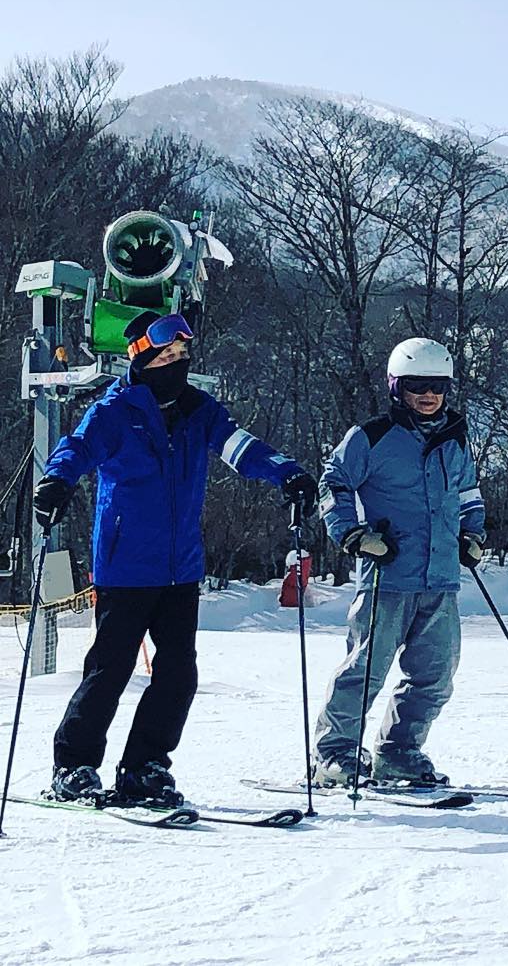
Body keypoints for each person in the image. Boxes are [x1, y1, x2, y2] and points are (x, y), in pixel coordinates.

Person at [32, 309, 316, 806]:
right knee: (111, 669)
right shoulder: (115, 411)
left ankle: (145, 766)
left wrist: (286, 473)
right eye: (167, 355)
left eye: (183, 354)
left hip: (180, 568)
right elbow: (76, 449)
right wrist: (56, 481)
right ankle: (74, 764)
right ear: (142, 358)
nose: (178, 363)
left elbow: (240, 447)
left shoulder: (197, 410)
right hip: (126, 567)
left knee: (179, 672)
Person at [311, 337, 486, 786]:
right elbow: (333, 484)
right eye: (416, 386)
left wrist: (473, 535)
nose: (428, 396)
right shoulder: (371, 438)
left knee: (435, 676)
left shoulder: (456, 438)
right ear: (396, 387)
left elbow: (469, 494)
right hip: (388, 575)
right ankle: (335, 754)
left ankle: (399, 752)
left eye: (438, 386)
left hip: (441, 577)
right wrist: (353, 535)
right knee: (365, 670)